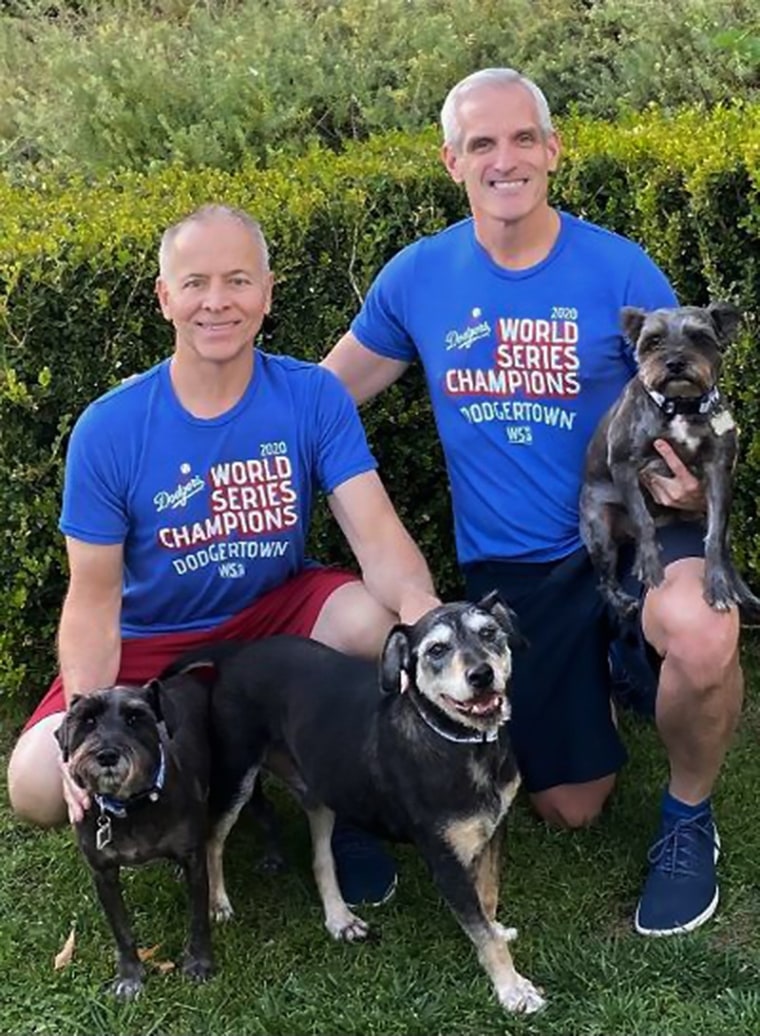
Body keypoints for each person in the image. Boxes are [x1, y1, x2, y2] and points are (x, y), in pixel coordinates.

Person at [322, 68, 743, 937]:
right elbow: (325, 399)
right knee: (572, 808)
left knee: (703, 630)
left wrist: (695, 488)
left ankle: (688, 818)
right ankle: (620, 672)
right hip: (519, 568)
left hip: (636, 532)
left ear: (552, 150)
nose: (504, 159)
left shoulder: (619, 266)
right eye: (482, 143)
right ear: (451, 161)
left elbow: (685, 391)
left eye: (522, 139)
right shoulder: (419, 278)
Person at [7, 204, 439, 908]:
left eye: (238, 280)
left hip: (272, 616)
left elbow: (378, 537)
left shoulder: (312, 396)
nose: (217, 301)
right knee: (31, 783)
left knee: (375, 626)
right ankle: (171, 800)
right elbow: (93, 597)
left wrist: (423, 617)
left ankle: (348, 794)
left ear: (267, 294)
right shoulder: (109, 428)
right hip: (154, 642)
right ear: (164, 297)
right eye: (196, 282)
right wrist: (89, 721)